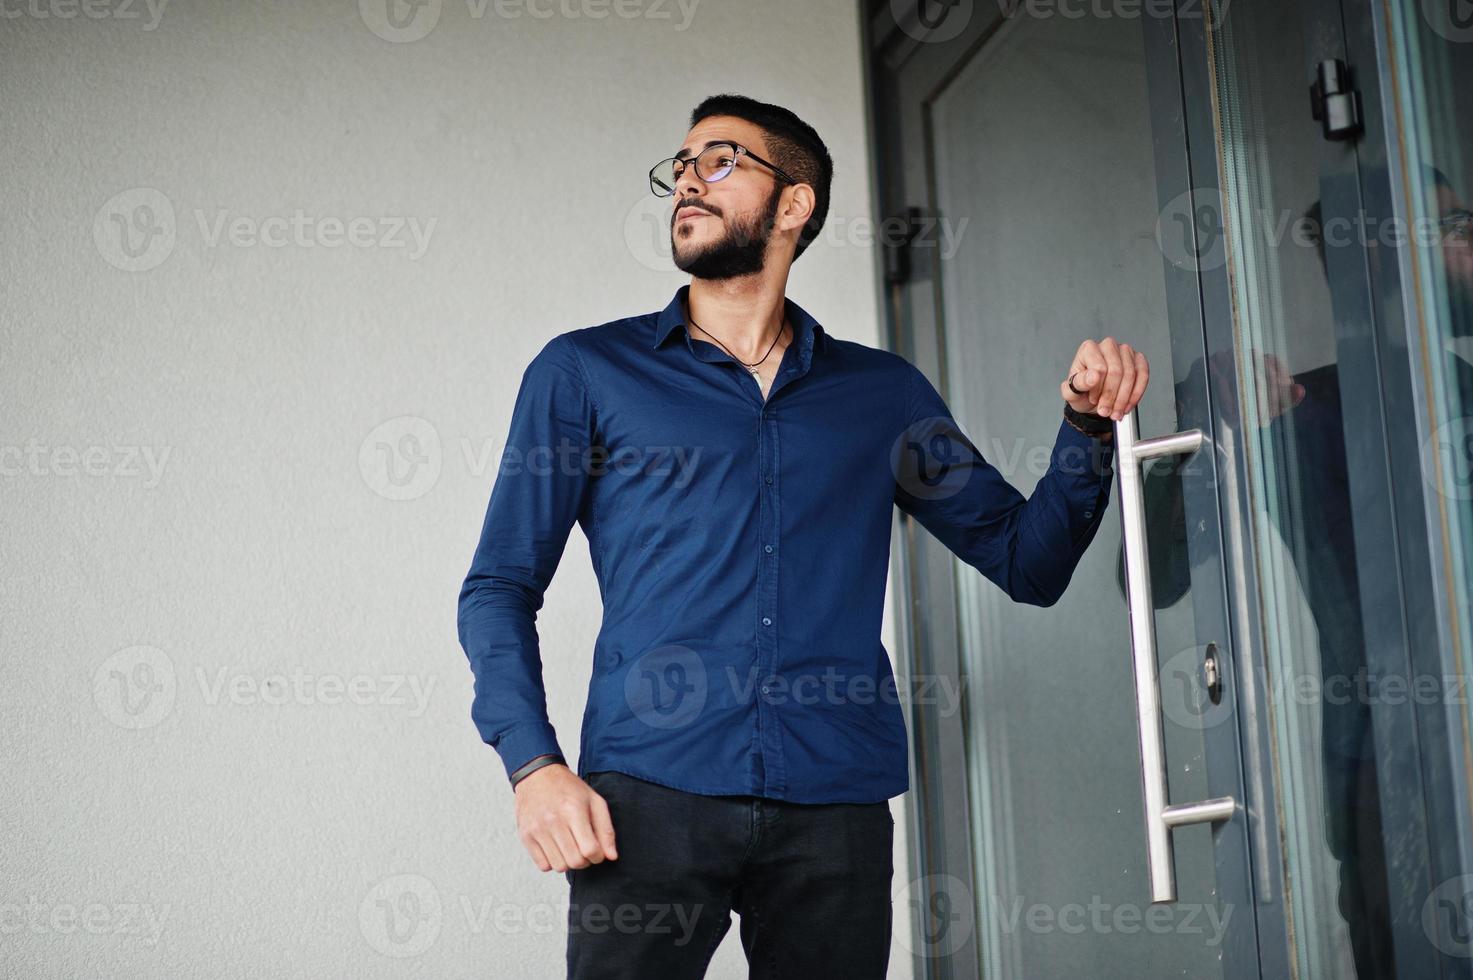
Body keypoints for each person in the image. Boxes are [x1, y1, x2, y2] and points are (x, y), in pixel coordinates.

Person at [456, 93, 1149, 979]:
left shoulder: (881, 395)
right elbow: (498, 587)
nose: (686, 185)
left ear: (793, 205)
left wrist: (1085, 433)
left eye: (720, 161)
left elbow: (1027, 562)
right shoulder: (585, 372)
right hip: (648, 800)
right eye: (681, 165)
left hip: (836, 810)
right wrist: (533, 766)